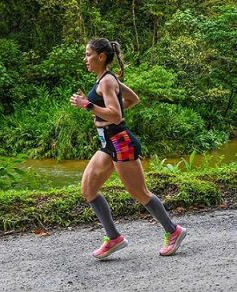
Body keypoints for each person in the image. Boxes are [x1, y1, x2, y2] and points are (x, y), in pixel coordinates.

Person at [70, 38, 186, 259]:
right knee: (88, 188)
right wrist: (101, 109)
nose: (85, 59)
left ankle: (174, 231)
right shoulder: (106, 79)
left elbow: (116, 115)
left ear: (101, 56)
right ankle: (114, 238)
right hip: (108, 143)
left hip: (120, 142)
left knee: (139, 192)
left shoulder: (106, 81)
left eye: (88, 54)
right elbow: (132, 99)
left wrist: (89, 105)